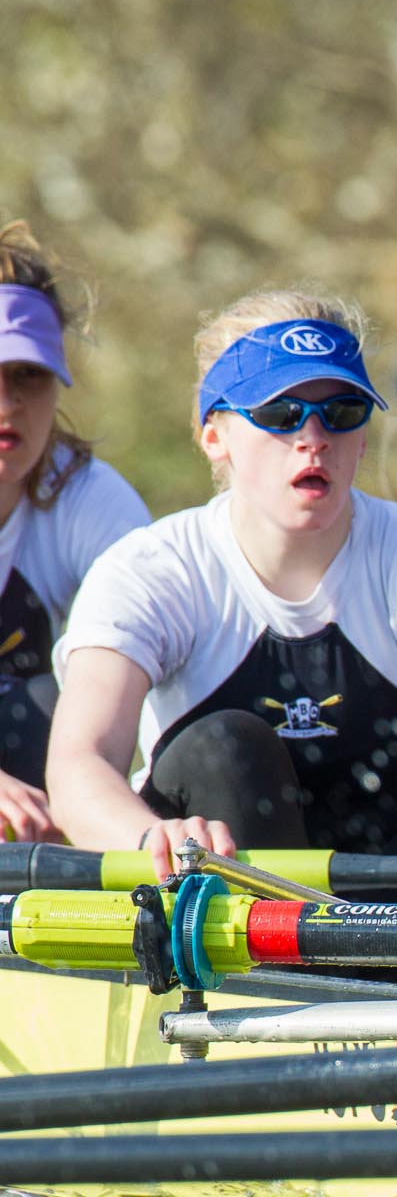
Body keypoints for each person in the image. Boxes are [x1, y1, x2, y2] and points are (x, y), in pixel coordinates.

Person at [46, 290, 397, 877]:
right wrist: (150, 838)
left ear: (362, 435)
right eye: (279, 414)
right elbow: (78, 768)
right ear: (214, 435)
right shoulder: (151, 572)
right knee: (225, 744)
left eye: (342, 412)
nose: (314, 437)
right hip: (227, 901)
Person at [0, 220, 151, 840]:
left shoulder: (90, 499)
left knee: (42, 705)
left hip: (32, 801)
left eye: (27, 376)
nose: (8, 404)